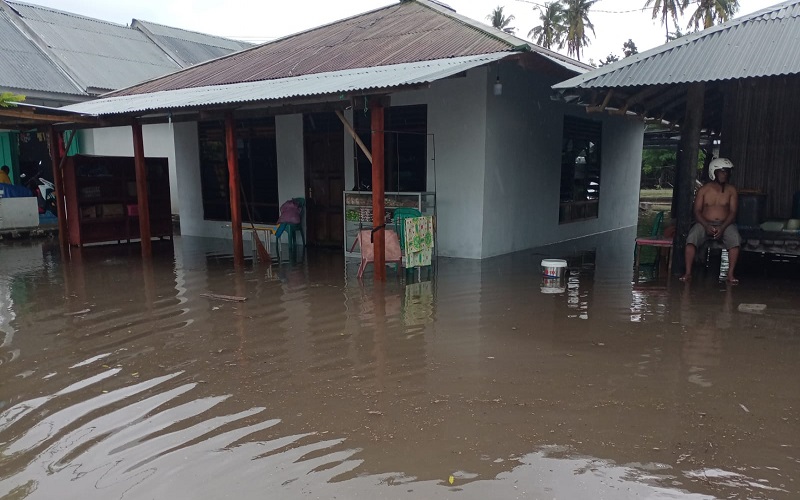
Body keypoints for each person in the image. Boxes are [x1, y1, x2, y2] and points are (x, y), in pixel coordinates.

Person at [680, 157, 741, 284]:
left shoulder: (731, 190)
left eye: (727, 172)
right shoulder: (704, 190)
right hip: (704, 223)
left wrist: (723, 227)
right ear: (714, 172)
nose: (725, 174)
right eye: (722, 171)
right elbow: (696, 211)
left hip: (725, 224)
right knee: (691, 239)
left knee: (735, 240)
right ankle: (688, 273)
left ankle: (730, 274)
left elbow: (733, 212)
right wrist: (706, 225)